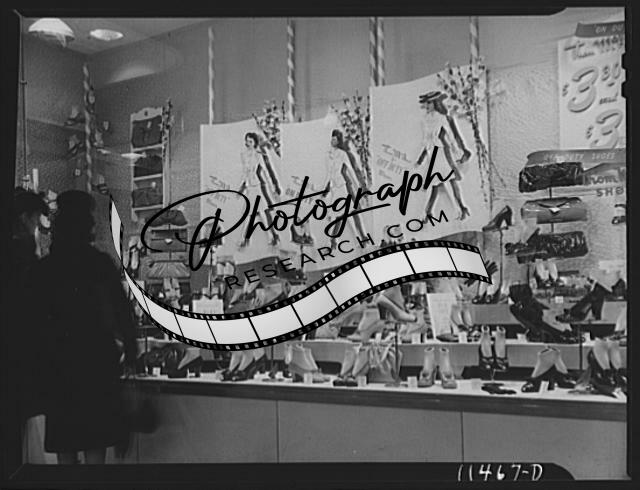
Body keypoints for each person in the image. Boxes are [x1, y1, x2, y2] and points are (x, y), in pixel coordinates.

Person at [26, 190, 137, 464]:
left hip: (58, 366)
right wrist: (131, 353)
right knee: (94, 443)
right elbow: (123, 312)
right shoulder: (100, 264)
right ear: (86, 224)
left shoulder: (44, 269)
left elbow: (33, 323)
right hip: (96, 362)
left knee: (65, 443)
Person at [4, 189, 48, 474]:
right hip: (21, 358)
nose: (36, 228)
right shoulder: (24, 257)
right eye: (34, 220)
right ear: (24, 219)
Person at [416, 91, 471, 221]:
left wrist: (460, 151)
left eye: (429, 103)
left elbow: (452, 136)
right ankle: (429, 212)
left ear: (435, 103)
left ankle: (459, 208)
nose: (427, 106)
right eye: (426, 103)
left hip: (442, 153)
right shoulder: (425, 120)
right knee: (435, 183)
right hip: (432, 154)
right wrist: (421, 158)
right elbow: (426, 140)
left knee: (447, 180)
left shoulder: (442, 118)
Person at [324, 129, 368, 248]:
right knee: (341, 214)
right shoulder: (331, 154)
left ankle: (362, 237)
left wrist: (360, 187)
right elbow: (330, 173)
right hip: (337, 187)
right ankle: (334, 240)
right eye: (332, 138)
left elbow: (353, 171)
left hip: (346, 187)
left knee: (350, 212)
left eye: (335, 139)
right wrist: (326, 187)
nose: (332, 141)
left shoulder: (344, 154)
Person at [238, 132, 282, 247]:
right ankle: (247, 238)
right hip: (249, 188)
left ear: (255, 142)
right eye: (247, 141)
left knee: (260, 213)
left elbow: (266, 173)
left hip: (256, 187)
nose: (248, 143)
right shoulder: (243, 155)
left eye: (250, 141)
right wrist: (241, 187)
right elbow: (244, 172)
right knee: (251, 213)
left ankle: (269, 238)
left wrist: (273, 189)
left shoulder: (259, 155)